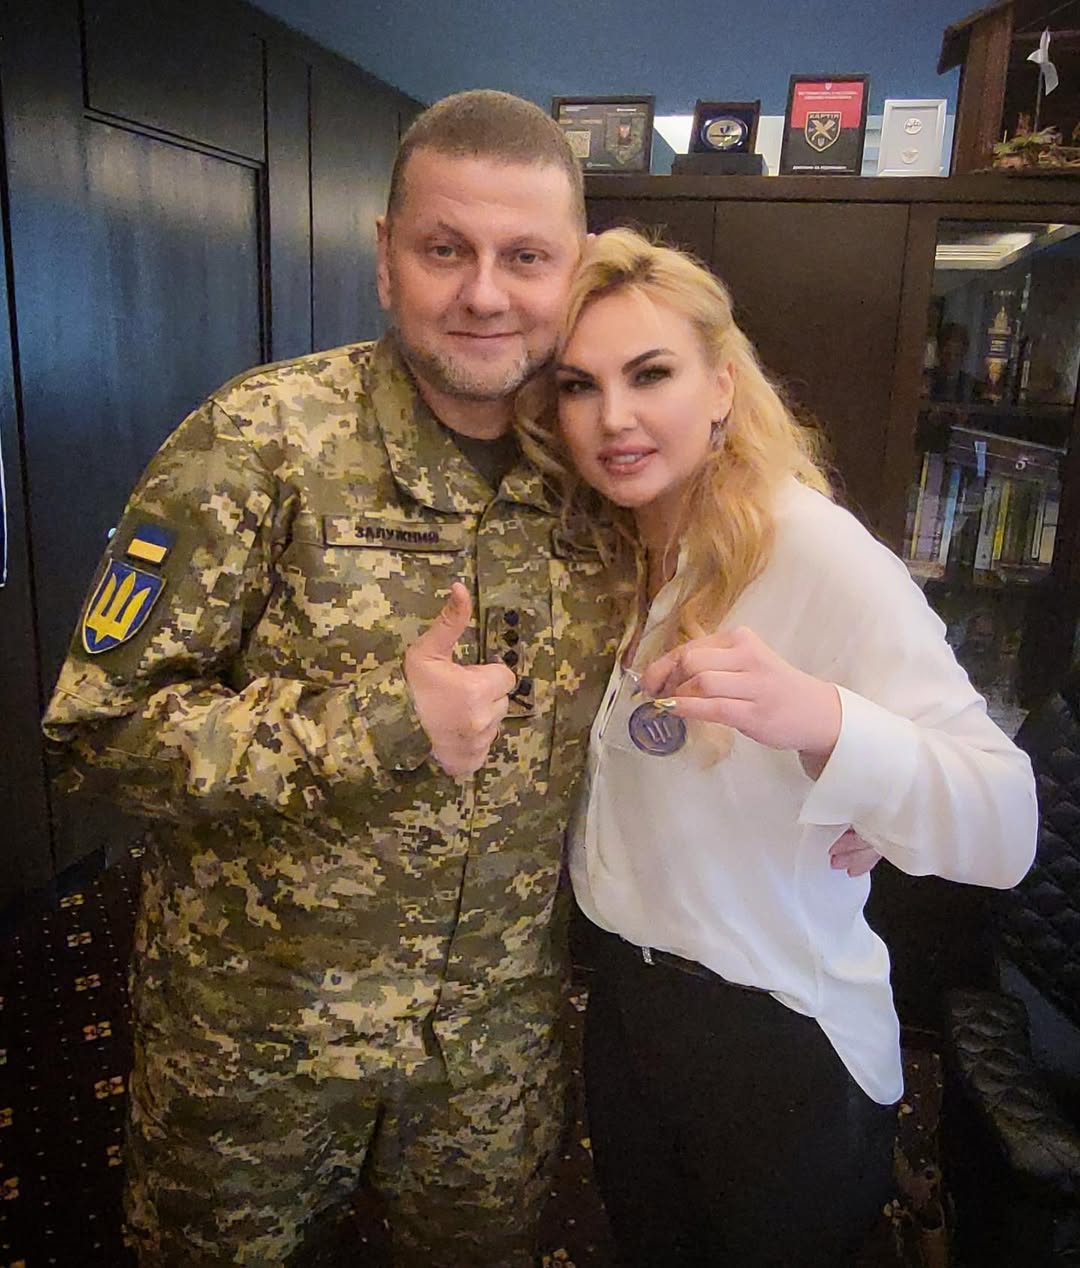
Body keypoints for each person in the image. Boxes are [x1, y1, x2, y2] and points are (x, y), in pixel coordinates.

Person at [41, 90, 622, 1268]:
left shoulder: (608, 467)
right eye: (445, 249)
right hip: (256, 1049)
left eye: (526, 256)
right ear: (385, 256)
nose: (484, 293)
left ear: (579, 268)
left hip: (488, 1057)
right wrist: (381, 724)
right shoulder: (257, 440)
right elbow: (95, 731)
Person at [539, 228, 1039, 1267]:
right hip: (628, 1005)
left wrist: (827, 721)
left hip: (777, 1033)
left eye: (651, 374)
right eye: (580, 384)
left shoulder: (807, 546)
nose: (614, 417)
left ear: (722, 384)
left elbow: (1006, 824)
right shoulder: (610, 541)